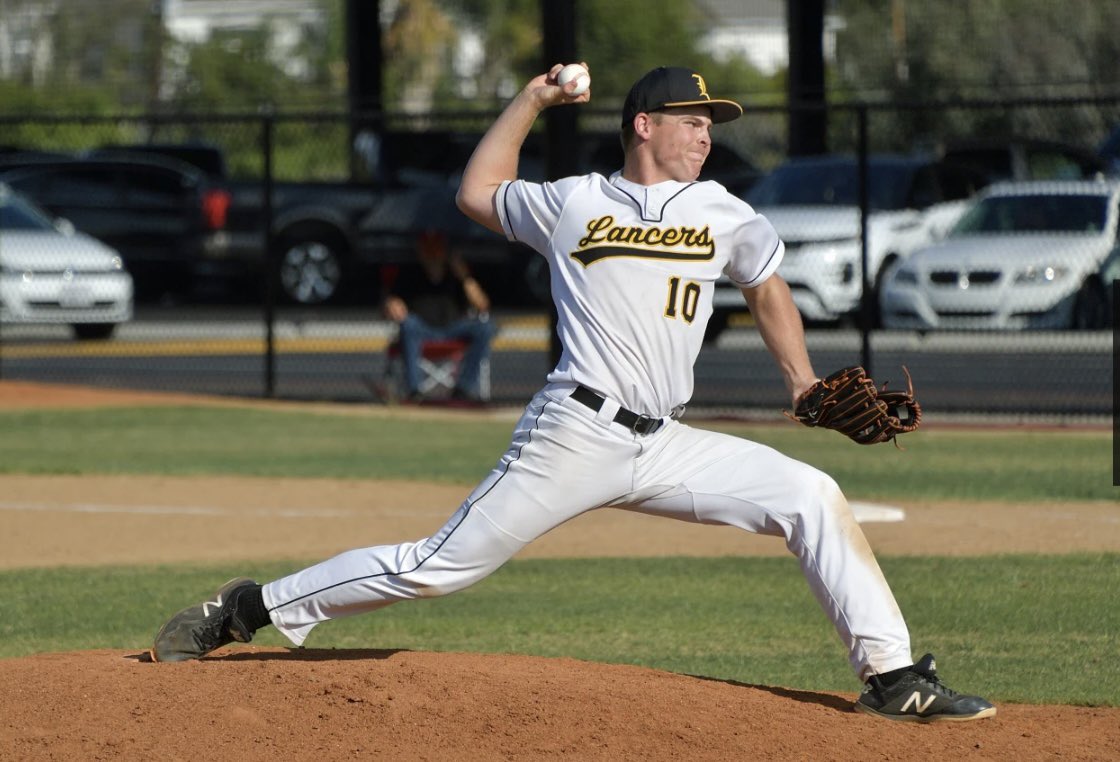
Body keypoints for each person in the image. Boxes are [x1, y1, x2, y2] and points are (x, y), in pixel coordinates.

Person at [151, 64, 995, 723]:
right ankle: (244, 609)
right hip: (574, 432)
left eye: (711, 125)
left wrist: (803, 382)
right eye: (693, 122)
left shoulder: (725, 211)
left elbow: (769, 288)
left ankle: (891, 679)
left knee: (811, 494)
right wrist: (531, 99)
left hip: (665, 443)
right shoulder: (574, 203)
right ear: (644, 125)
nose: (706, 136)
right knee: (439, 569)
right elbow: (475, 193)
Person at [383, 229, 495, 402]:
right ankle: (414, 391)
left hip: (454, 328)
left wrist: (464, 277)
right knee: (408, 324)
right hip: (422, 330)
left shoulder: (456, 274)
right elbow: (391, 303)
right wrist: (392, 304)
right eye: (428, 248)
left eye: (437, 248)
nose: (432, 253)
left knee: (485, 328)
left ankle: (464, 389)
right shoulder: (409, 273)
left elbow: (482, 305)